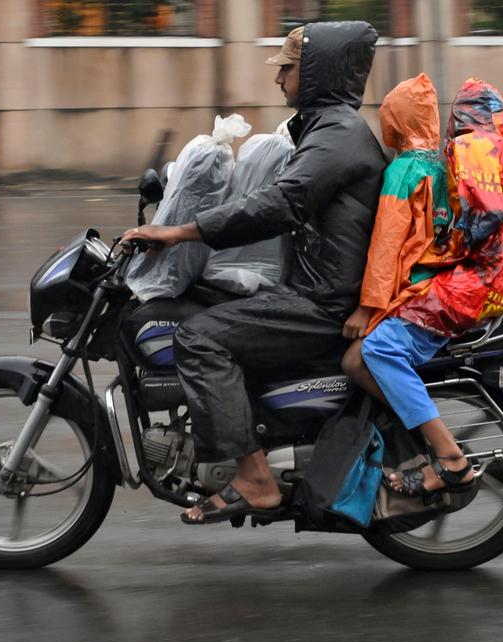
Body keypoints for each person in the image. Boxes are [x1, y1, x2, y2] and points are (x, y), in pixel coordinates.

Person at [122, 22, 386, 524]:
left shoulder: (338, 135)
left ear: (313, 72)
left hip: (320, 300)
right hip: (313, 286)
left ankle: (255, 478)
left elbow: (281, 204)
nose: (278, 79)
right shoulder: (326, 130)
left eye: (286, 68)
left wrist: (178, 234)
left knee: (198, 339)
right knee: (209, 305)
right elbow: (269, 196)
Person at [345, 77, 503, 500]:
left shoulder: (466, 149)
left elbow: (486, 216)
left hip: (491, 275)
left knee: (379, 350)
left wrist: (452, 246)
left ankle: (451, 460)